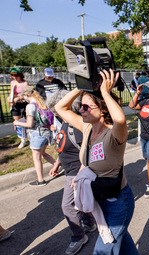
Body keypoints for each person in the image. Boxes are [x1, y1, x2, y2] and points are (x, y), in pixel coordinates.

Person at [55, 70, 139, 254]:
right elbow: (60, 108)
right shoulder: (86, 127)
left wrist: (106, 92)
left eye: (86, 107)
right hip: (98, 199)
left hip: (118, 202)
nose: (81, 110)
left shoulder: (114, 133)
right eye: (81, 107)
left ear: (102, 110)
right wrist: (81, 87)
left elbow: (120, 118)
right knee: (123, 244)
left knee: (103, 251)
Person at [46, 90, 96, 255]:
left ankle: (78, 237)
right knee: (80, 200)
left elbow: (87, 150)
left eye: (56, 109)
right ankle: (89, 222)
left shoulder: (76, 124)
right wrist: (57, 163)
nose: (54, 113)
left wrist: (80, 173)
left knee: (68, 206)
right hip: (69, 170)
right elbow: (64, 148)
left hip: (75, 172)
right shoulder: (65, 122)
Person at [13, 86, 55, 187]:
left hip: (37, 134)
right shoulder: (42, 103)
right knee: (43, 153)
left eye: (23, 97)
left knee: (36, 158)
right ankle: (58, 165)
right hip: (46, 133)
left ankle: (40, 180)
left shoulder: (30, 106)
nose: (23, 99)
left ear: (26, 95)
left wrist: (17, 123)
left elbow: (30, 124)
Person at [7, 67, 30, 148]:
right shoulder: (12, 83)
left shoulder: (25, 83)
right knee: (17, 121)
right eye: (12, 76)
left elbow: (27, 95)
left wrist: (19, 98)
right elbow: (11, 93)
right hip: (15, 105)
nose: (14, 77)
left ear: (20, 75)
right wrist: (9, 97)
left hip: (23, 104)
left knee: (26, 120)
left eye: (16, 75)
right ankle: (23, 140)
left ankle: (30, 137)